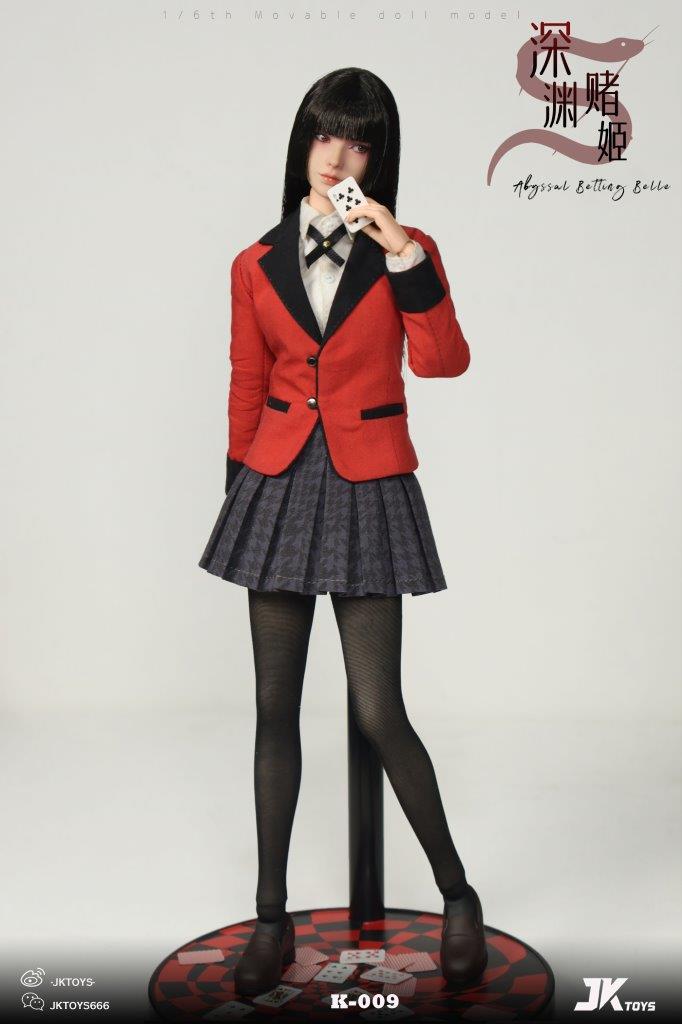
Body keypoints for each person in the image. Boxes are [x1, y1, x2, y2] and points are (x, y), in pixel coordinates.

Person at [199, 67, 487, 995]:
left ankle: (457, 895)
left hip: (368, 485)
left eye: (360, 142)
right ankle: (271, 917)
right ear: (303, 142)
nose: (338, 157)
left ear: (378, 159)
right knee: (273, 708)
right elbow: (248, 382)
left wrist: (401, 250)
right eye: (327, 135)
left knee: (377, 709)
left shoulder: (407, 251)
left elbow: (443, 362)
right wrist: (240, 494)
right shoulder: (253, 263)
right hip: (279, 483)